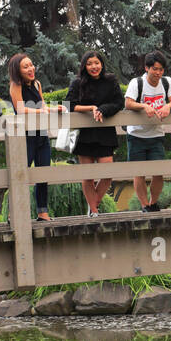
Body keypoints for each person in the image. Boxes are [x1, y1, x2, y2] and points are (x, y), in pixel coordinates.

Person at [65, 51, 124, 217]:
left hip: (105, 132)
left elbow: (119, 103)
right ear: (85, 66)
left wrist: (102, 109)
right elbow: (68, 105)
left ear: (102, 64)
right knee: (87, 175)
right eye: (90, 63)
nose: (94, 67)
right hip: (84, 134)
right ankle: (94, 210)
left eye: (96, 63)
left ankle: (94, 202)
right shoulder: (78, 83)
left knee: (107, 173)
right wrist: (91, 108)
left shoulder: (110, 80)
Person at [8, 53, 63, 221]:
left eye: (31, 65)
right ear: (17, 71)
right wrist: (42, 111)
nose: (31, 69)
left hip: (41, 134)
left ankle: (42, 212)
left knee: (43, 174)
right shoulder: (15, 85)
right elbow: (21, 109)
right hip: (25, 136)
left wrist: (54, 109)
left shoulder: (37, 84)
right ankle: (14, 214)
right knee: (20, 175)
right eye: (25, 67)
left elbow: (42, 105)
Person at [124, 51, 171, 212]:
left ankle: (153, 202)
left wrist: (167, 106)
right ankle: (144, 205)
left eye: (161, 69)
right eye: (155, 69)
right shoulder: (137, 82)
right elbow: (128, 103)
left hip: (156, 134)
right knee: (139, 173)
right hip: (136, 134)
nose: (158, 73)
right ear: (147, 68)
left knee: (158, 172)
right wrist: (144, 106)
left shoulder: (167, 82)